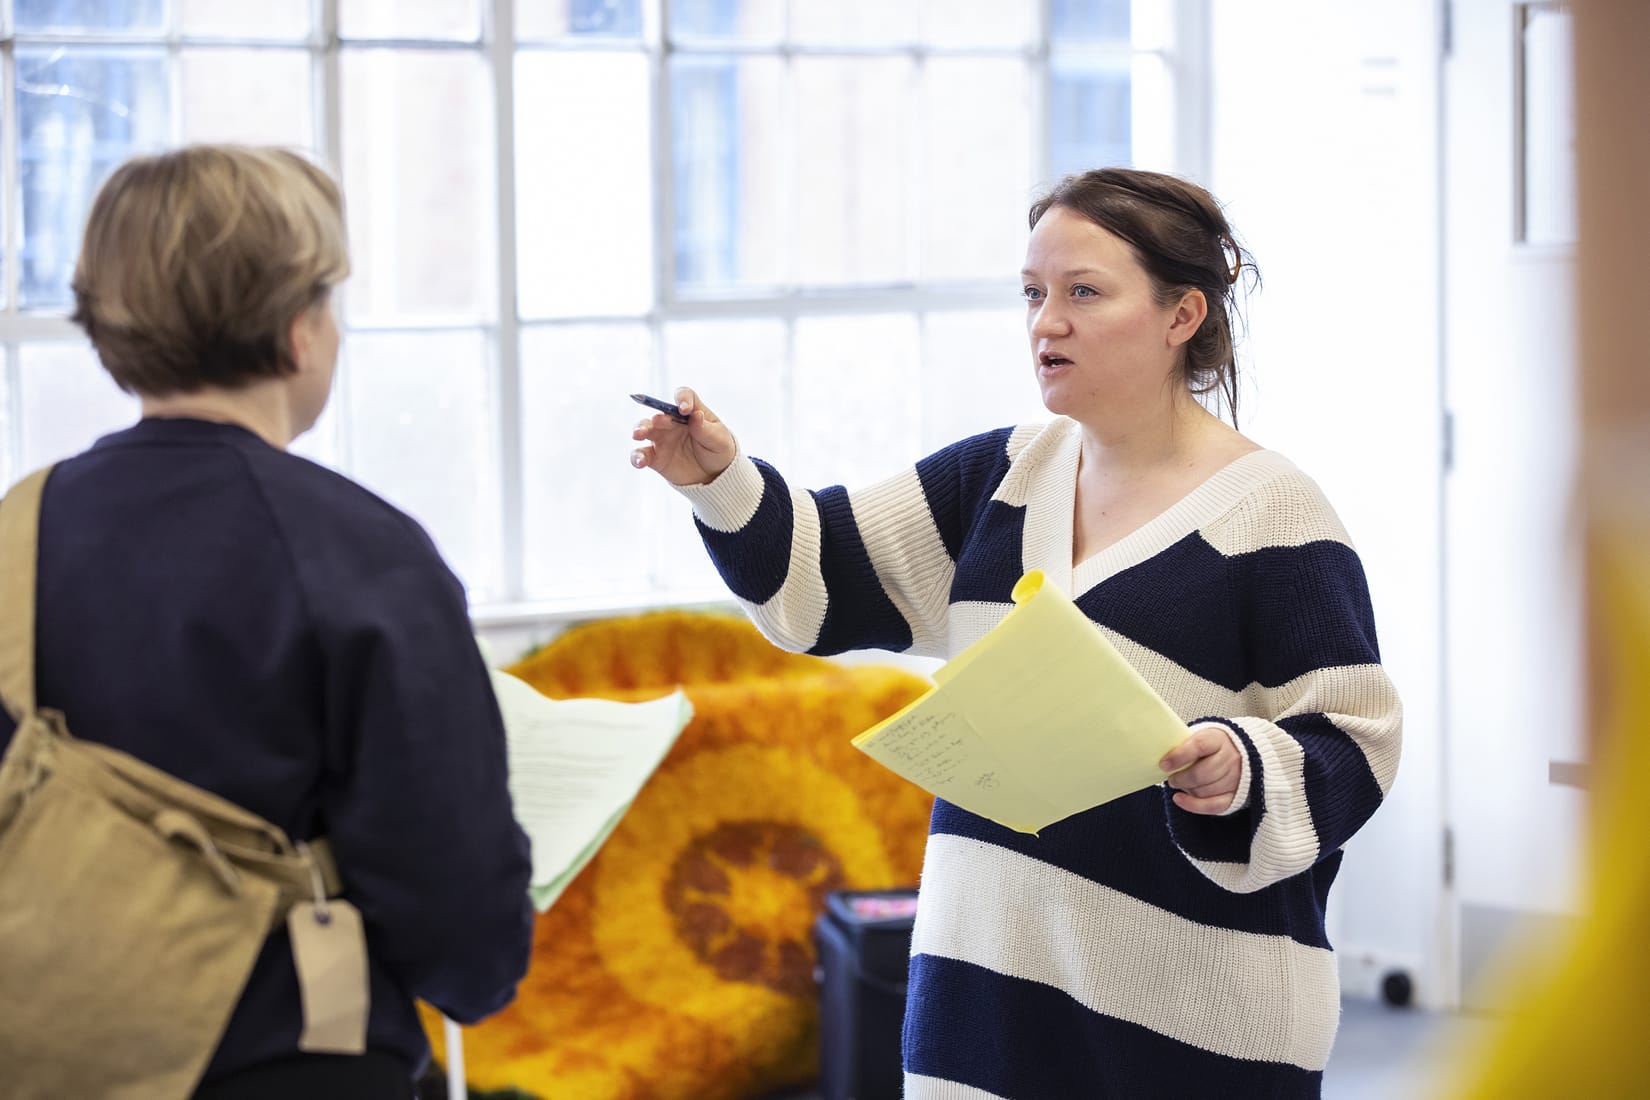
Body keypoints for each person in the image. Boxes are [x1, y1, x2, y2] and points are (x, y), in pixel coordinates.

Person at [630, 167, 1403, 1098]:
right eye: (1034, 294)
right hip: (982, 1002)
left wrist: (1240, 768)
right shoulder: (999, 476)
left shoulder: (1273, 516)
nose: (1046, 323)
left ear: (1181, 315)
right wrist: (719, 478)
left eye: (1084, 293)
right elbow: (821, 576)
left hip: (1189, 1028)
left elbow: (1356, 738)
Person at [0, 145, 534, 1098]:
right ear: (300, 332)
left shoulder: (14, 534)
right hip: (289, 1062)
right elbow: (462, 927)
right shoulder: (367, 558)